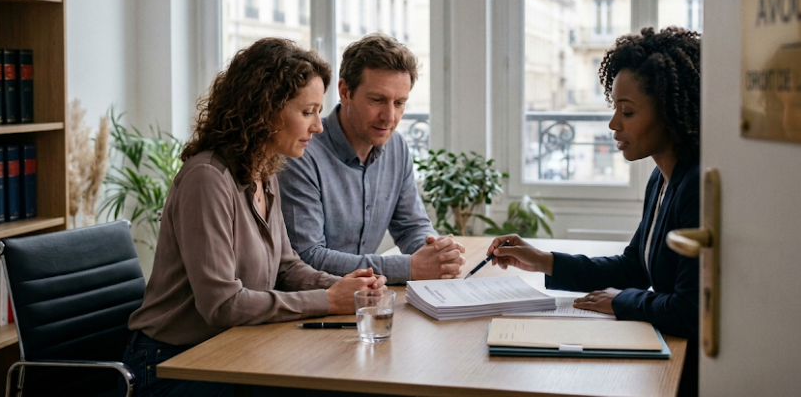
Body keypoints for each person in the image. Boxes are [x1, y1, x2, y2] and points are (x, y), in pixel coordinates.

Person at [124, 38, 387, 397]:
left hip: (233, 348)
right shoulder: (207, 179)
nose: (318, 127)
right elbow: (222, 305)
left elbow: (287, 268)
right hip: (170, 364)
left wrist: (348, 287)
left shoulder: (263, 172)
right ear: (265, 110)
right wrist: (328, 300)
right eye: (307, 112)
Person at [486, 26, 701, 396]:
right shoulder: (661, 178)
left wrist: (621, 301)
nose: (613, 124)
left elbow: (688, 310)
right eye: (615, 108)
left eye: (627, 111)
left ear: (669, 111)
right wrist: (543, 260)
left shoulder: (696, 185)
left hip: (689, 370)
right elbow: (634, 268)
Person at [277, 33, 466, 285]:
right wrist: (409, 267)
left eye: (399, 103)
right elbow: (308, 257)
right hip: (314, 301)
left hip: (367, 296)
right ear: (345, 92)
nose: (389, 117)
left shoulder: (397, 147)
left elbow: (411, 227)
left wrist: (436, 253)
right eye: (377, 100)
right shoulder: (301, 153)